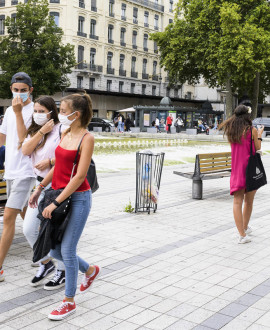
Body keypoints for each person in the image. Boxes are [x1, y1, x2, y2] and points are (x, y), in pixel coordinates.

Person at [29, 92, 100, 320]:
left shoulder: (86, 138)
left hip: (78, 198)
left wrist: (56, 203)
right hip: (57, 195)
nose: (60, 113)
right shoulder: (66, 132)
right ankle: (89, 270)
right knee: (51, 246)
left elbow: (79, 177)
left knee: (67, 250)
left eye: (62, 109)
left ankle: (68, 302)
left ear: (75, 114)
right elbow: (58, 165)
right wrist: (39, 189)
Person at [22, 96, 65, 290]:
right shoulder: (35, 131)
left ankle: (62, 271)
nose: (38, 114)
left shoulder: (62, 129)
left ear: (51, 112)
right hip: (39, 185)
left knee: (56, 231)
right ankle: (46, 263)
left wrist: (51, 162)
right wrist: (41, 131)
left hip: (58, 186)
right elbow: (25, 150)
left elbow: (69, 155)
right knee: (29, 229)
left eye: (42, 111)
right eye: (36, 111)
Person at [0, 72, 36, 282]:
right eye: (16, 90)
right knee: (24, 213)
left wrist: (19, 112)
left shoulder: (36, 111)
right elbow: (3, 139)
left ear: (31, 90)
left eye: (24, 90)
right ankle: (45, 255)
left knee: (8, 217)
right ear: (11, 89)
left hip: (25, 171)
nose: (20, 93)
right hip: (11, 170)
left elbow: (25, 141)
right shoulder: (9, 111)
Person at [219, 105, 264, 244]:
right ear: (247, 116)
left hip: (237, 169)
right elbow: (258, 148)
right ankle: (243, 229)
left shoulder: (231, 130)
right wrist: (260, 136)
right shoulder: (252, 130)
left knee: (237, 201)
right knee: (248, 201)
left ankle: (242, 233)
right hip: (249, 170)